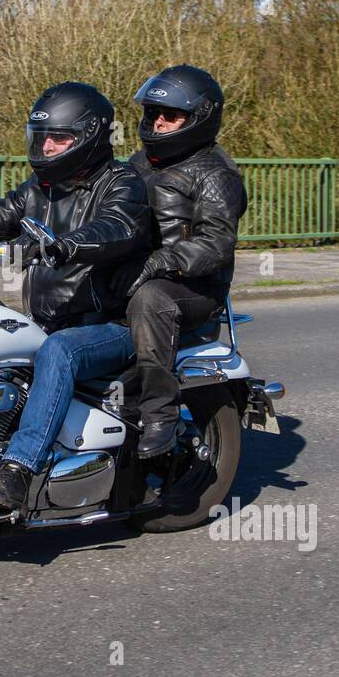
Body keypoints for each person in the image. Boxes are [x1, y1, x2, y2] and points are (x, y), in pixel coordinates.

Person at [0, 81, 151, 511]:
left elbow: (117, 228)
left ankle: (17, 470)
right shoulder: (41, 187)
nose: (48, 147)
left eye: (59, 138)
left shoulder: (122, 183)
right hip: (50, 318)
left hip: (111, 323)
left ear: (90, 136)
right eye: (43, 138)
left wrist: (67, 244)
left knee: (59, 351)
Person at [124, 64, 248, 460]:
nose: (158, 122)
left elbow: (215, 244)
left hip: (192, 288)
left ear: (199, 118)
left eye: (170, 115)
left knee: (151, 300)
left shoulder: (215, 172)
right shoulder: (138, 163)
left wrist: (160, 261)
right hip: (137, 273)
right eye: (153, 114)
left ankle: (160, 415)